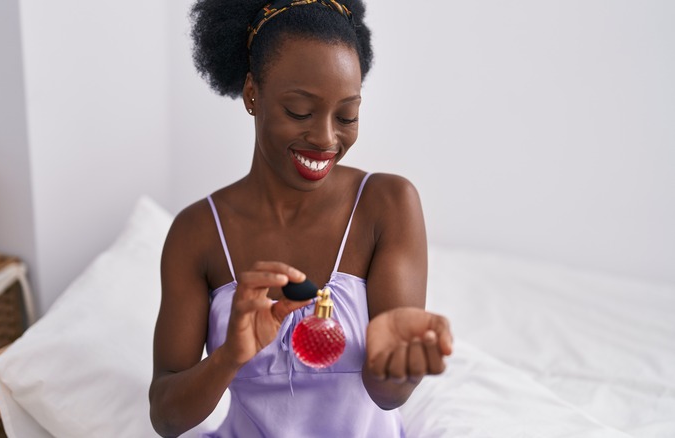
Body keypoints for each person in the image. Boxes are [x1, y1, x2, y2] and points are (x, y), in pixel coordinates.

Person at [149, 0, 453, 436]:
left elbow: (387, 397)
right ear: (253, 94)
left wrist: (400, 367)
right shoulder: (197, 233)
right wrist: (229, 356)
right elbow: (166, 417)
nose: (327, 138)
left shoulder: (387, 205)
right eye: (300, 111)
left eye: (347, 115)